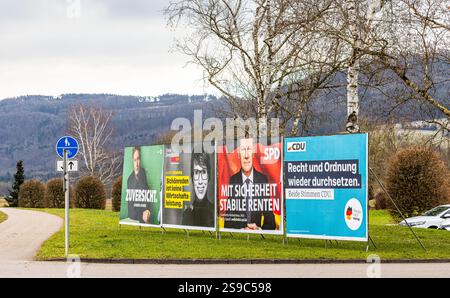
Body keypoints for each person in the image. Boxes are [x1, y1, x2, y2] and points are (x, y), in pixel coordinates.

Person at [224, 138, 275, 230]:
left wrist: (259, 229)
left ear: (253, 154)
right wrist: (241, 229)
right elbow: (227, 222)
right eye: (243, 150)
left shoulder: (262, 180)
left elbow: (271, 223)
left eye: (249, 149)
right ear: (239, 154)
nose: (246, 156)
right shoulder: (233, 180)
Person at [182, 152, 215, 227]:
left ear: (209, 176)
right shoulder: (187, 214)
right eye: (196, 172)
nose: (200, 181)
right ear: (192, 177)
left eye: (203, 172)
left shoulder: (215, 212)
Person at [126, 147, 152, 224]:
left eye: (138, 159)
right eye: (134, 160)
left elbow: (149, 196)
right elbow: (131, 205)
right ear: (132, 160)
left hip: (145, 220)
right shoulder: (129, 179)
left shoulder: (144, 174)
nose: (137, 163)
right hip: (133, 219)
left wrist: (148, 211)